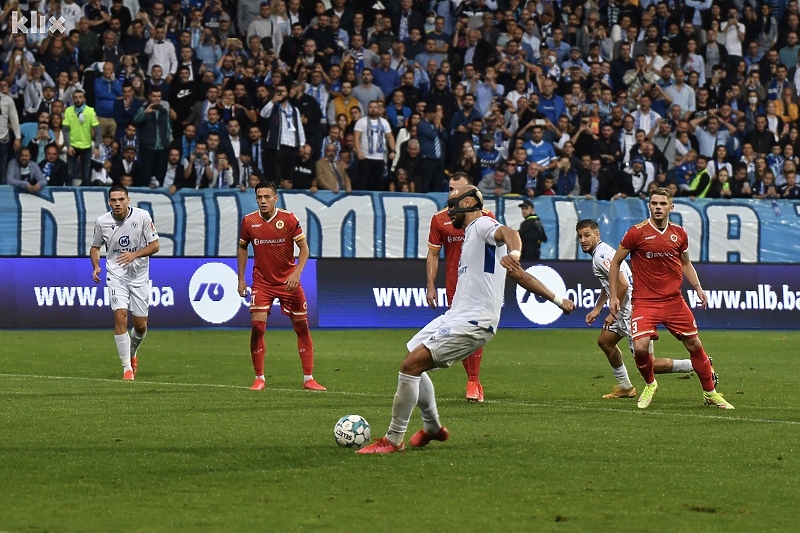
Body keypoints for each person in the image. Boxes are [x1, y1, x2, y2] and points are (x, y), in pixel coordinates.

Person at [358, 184, 575, 454]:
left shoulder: (482, 223)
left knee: (410, 366)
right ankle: (433, 428)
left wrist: (515, 252)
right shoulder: (474, 236)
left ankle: (393, 440)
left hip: (474, 321)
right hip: (456, 315)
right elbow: (520, 275)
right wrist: (557, 300)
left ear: (469, 202)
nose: (449, 213)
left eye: (452, 205)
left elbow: (509, 233)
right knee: (412, 355)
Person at [607, 188, 734, 410]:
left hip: (674, 301)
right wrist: (613, 297)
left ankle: (710, 393)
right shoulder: (636, 233)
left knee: (694, 343)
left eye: (662, 204)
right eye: (654, 203)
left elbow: (686, 263)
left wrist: (698, 287)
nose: (658, 207)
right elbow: (616, 262)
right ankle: (650, 384)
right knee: (640, 347)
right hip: (645, 301)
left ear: (670, 207)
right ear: (649, 206)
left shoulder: (679, 234)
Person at [576, 219, 701, 399]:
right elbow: (610, 285)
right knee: (605, 341)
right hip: (624, 309)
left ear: (597, 235)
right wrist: (597, 309)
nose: (583, 240)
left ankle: (697, 364)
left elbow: (623, 284)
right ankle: (625, 387)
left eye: (587, 235)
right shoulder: (604, 252)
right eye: (580, 236)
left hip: (630, 311)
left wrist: (613, 313)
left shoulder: (600, 257)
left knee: (648, 364)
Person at [237, 181, 326, 392]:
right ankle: (259, 377)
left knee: (301, 326)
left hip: (288, 281)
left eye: (267, 197)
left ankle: (308, 378)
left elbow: (304, 249)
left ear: (275, 198)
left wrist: (296, 273)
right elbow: (242, 247)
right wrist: (241, 278)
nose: (263, 201)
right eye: (259, 197)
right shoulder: (249, 221)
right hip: (262, 282)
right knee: (258, 327)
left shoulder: (288, 218)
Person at [425, 172, 492, 402]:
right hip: (455, 284)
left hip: (480, 284)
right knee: (462, 332)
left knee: (474, 329)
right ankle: (474, 379)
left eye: (459, 189)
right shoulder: (439, 220)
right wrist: (430, 285)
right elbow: (433, 254)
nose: (454, 193)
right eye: (451, 189)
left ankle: (473, 381)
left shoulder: (485, 217)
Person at [90, 185, 160, 381]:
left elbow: (155, 245)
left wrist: (134, 255)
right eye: (113, 200)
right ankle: (127, 369)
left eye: (121, 199)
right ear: (109, 202)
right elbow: (95, 248)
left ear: (128, 200)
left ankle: (133, 352)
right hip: (116, 275)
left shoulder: (143, 216)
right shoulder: (102, 222)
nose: (117, 204)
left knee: (141, 326)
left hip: (139, 276)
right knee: (120, 318)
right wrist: (96, 266)